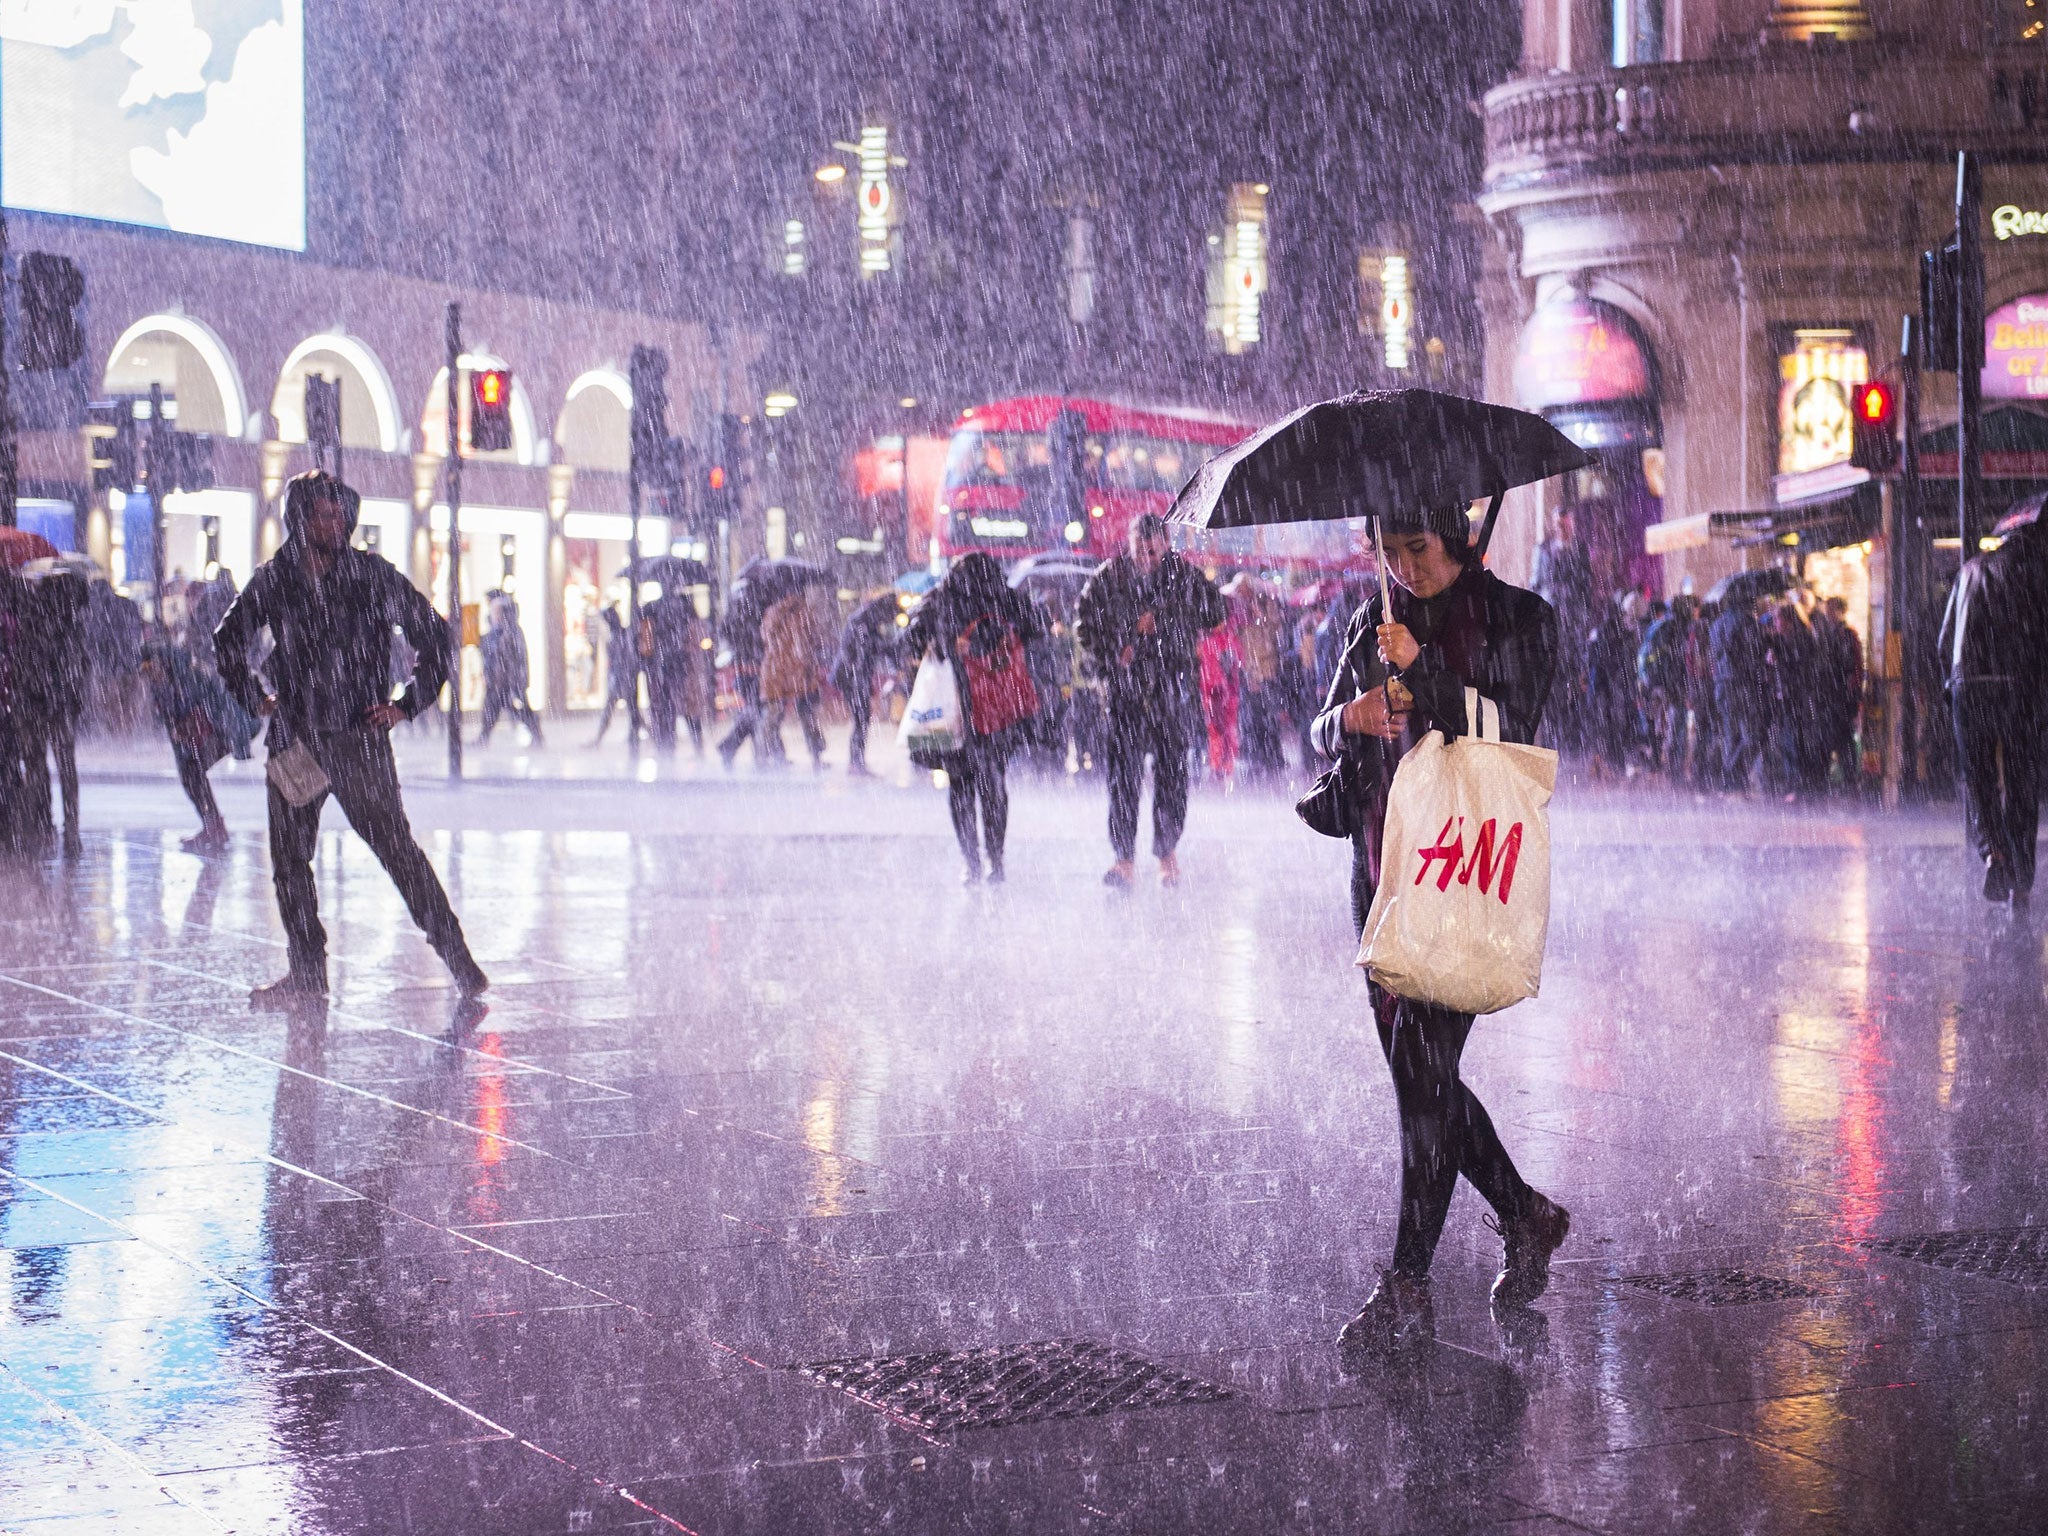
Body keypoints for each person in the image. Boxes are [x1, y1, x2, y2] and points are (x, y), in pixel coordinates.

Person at [1311, 503, 1570, 1349]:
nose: (1404, 569)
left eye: (1417, 549)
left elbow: (1513, 732)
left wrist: (1425, 678)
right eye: (1388, 552)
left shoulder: (1521, 618)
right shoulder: (1371, 619)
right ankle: (1524, 1213)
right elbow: (1320, 728)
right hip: (1382, 875)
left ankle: (1408, 1285)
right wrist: (1349, 718)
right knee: (1420, 1082)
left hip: (1462, 871)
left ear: (1459, 538)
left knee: (1422, 1076)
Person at [215, 471, 489, 1007]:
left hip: (360, 739)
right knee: (290, 863)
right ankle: (307, 972)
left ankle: (460, 962)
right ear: (300, 519)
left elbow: (434, 637)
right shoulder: (276, 579)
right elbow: (227, 642)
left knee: (399, 853)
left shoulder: (371, 576)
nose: (333, 523)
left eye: (338, 513)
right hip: (298, 740)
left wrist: (406, 705)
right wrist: (258, 699)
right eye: (321, 513)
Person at [1076, 514, 1226, 888]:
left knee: (1172, 777)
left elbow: (1214, 614)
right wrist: (1120, 645)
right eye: (1139, 550)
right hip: (1126, 695)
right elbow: (1085, 625)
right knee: (1122, 778)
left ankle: (1166, 853)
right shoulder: (1109, 578)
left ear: (1165, 546)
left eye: (1153, 551)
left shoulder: (1185, 576)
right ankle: (1123, 857)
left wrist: (1164, 618)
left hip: (1172, 689)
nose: (1145, 557)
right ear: (1129, 545)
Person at [902, 553, 1044, 883]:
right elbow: (1035, 628)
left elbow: (910, 638)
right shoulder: (1002, 596)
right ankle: (994, 860)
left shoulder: (942, 598)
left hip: (959, 710)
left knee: (962, 786)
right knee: (993, 785)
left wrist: (944, 645)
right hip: (994, 706)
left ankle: (973, 862)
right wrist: (1000, 645)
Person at [1938, 508, 2048, 904]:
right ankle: (2020, 876)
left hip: (1968, 685)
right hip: (2020, 686)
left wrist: (1951, 686)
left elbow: (1944, 639)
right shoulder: (2037, 574)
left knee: (1980, 779)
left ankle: (1993, 852)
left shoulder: (1969, 570)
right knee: (2021, 780)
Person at [139, 638, 253, 853]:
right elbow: (174, 726)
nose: (149, 674)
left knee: (194, 771)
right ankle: (213, 826)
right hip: (212, 730)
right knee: (191, 773)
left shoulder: (190, 677)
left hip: (225, 728)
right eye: (145, 670)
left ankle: (214, 826)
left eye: (151, 667)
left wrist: (192, 731)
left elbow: (214, 711)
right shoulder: (163, 685)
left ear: (162, 663)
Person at [20, 567, 89, 855]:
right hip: (61, 702)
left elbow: (27, 661)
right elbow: (79, 665)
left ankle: (37, 823)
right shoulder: (71, 624)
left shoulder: (34, 620)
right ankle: (70, 827)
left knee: (36, 763)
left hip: (36, 700)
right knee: (65, 763)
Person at [1529, 508, 1596, 752]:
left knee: (1573, 684)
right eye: (1558, 523)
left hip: (1572, 628)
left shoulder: (1579, 551)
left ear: (1572, 523)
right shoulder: (1543, 550)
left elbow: (1586, 589)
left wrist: (1581, 618)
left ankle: (1569, 739)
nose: (1561, 528)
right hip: (1549, 626)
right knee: (1549, 686)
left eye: (1565, 524)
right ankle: (1551, 738)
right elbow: (1535, 585)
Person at [833, 592, 903, 777]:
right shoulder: (863, 621)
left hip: (855, 676)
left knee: (861, 719)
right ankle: (856, 763)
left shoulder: (868, 619)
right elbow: (863, 652)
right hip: (851, 677)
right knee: (861, 718)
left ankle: (856, 762)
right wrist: (861, 684)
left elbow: (876, 647)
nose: (890, 620)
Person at [759, 590, 828, 769]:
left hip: (775, 669)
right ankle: (816, 756)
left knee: (772, 716)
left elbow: (765, 638)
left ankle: (763, 755)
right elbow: (810, 642)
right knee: (807, 715)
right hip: (799, 670)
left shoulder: (772, 612)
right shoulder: (804, 613)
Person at [645, 588, 714, 753]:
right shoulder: (686, 612)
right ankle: (696, 749)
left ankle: (667, 749)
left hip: (667, 665)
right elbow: (698, 640)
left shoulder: (657, 609)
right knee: (689, 712)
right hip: (684, 667)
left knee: (669, 711)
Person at [1709, 594, 1767, 793]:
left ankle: (1732, 783)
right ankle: (1732, 775)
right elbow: (1756, 653)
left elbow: (1716, 654)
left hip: (1722, 685)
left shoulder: (1717, 624)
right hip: (1741, 684)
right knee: (1752, 735)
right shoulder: (1747, 622)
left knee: (1730, 735)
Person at [477, 593, 543, 747]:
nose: (492, 615)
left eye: (494, 612)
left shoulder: (509, 631)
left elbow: (506, 656)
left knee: (514, 709)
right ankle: (484, 736)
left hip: (509, 680)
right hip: (503, 680)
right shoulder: (501, 630)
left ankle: (536, 733)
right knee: (494, 707)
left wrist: (507, 678)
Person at [1816, 595, 1863, 788]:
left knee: (1842, 740)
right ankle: (1839, 780)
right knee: (1833, 739)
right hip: (1832, 696)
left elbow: (1853, 669)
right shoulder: (1830, 635)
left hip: (1840, 697)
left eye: (1831, 610)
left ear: (1840, 611)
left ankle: (1849, 781)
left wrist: (1850, 696)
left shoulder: (1846, 635)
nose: (1828, 614)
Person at [592, 607, 642, 744]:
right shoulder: (620, 634)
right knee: (631, 711)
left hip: (621, 678)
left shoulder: (619, 635)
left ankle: (599, 739)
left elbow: (622, 659)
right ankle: (599, 739)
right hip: (622, 677)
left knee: (628, 711)